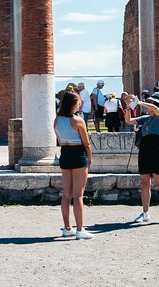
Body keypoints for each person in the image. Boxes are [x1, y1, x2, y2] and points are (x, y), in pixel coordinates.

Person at [125, 93, 159, 225]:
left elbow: (155, 109)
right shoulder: (145, 118)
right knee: (144, 183)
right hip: (144, 150)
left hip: (156, 151)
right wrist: (128, 107)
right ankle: (145, 213)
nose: (148, 105)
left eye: (151, 102)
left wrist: (139, 103)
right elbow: (128, 121)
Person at [54, 91, 94, 240]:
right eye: (78, 102)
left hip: (65, 153)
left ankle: (67, 228)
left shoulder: (56, 120)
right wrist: (89, 160)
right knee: (78, 195)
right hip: (78, 154)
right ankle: (80, 230)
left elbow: (58, 138)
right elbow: (87, 143)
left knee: (66, 194)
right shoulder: (78, 121)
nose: (80, 104)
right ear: (73, 104)